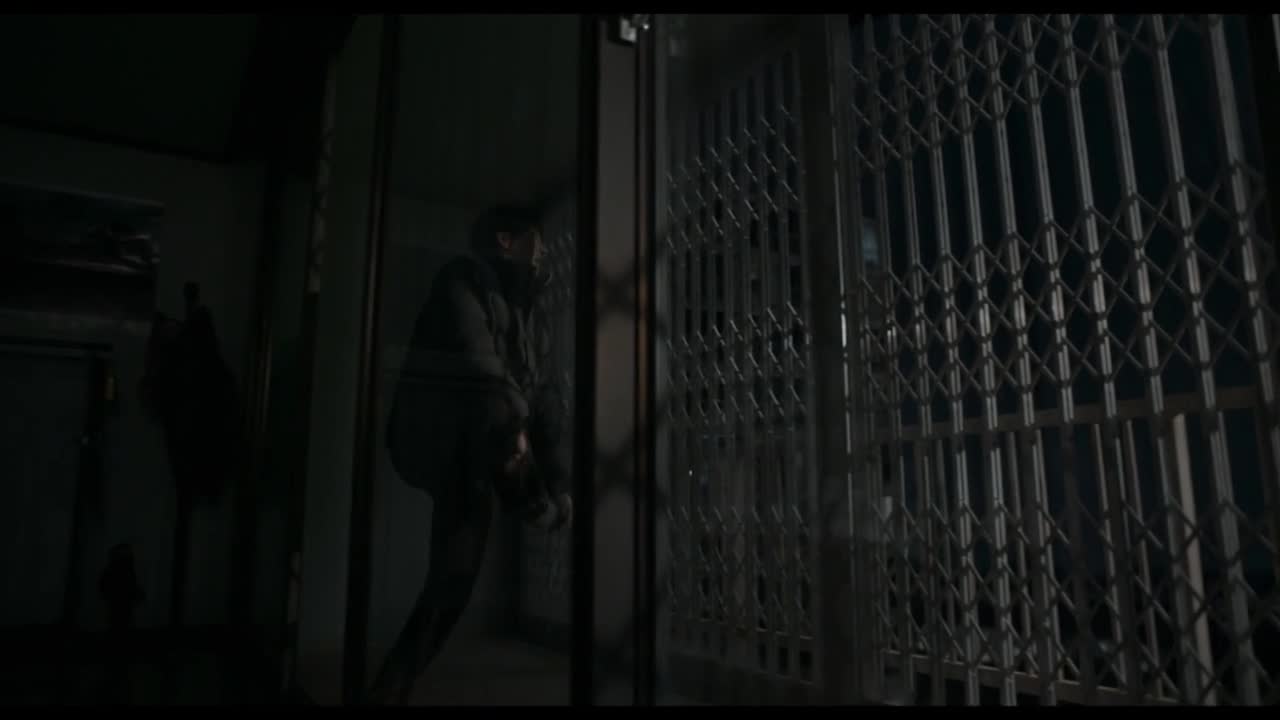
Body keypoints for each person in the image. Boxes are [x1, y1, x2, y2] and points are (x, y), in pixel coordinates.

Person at [369, 206, 573, 705]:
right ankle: (527, 498)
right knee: (497, 407)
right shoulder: (461, 279)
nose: (544, 250)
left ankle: (390, 686)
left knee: (454, 579)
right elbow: (480, 369)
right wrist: (527, 475)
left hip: (479, 455)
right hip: (444, 436)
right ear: (506, 239)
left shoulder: (528, 310)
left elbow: (544, 401)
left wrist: (559, 480)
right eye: (537, 238)